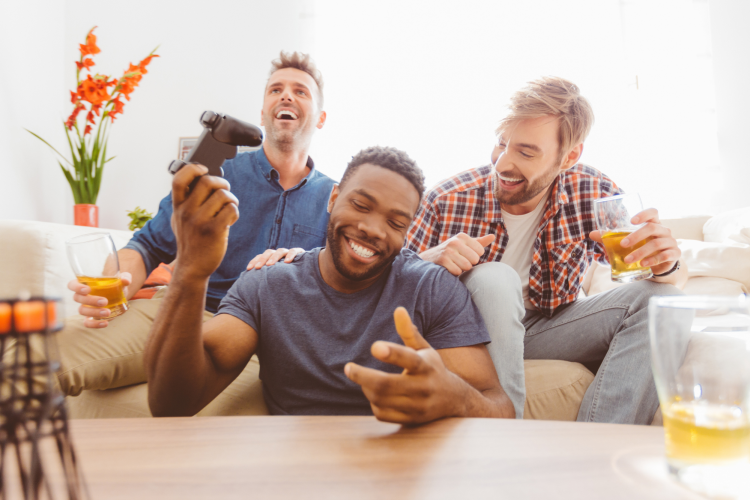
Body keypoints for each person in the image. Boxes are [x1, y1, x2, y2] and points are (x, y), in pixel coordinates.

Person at [6, 51, 336, 397]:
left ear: (321, 118)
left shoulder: (336, 199)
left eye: (301, 91)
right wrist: (114, 287)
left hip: (255, 339)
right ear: (263, 112)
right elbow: (146, 246)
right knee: (31, 351)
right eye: (275, 89)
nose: (285, 95)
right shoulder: (218, 175)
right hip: (182, 313)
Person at [145, 146, 514, 422]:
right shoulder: (266, 287)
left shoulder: (431, 289)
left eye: (396, 222)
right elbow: (172, 404)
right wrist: (191, 271)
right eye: (361, 205)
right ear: (333, 198)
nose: (373, 229)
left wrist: (458, 399)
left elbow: (500, 406)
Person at [405, 76, 686, 424]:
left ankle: (599, 448)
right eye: (501, 143)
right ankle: (505, 433)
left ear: (569, 156)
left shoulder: (592, 191)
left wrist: (665, 265)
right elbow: (384, 294)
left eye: (525, 152)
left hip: (543, 330)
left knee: (665, 302)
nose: (502, 163)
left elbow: (665, 274)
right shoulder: (447, 198)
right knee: (495, 278)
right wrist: (426, 262)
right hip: (470, 336)